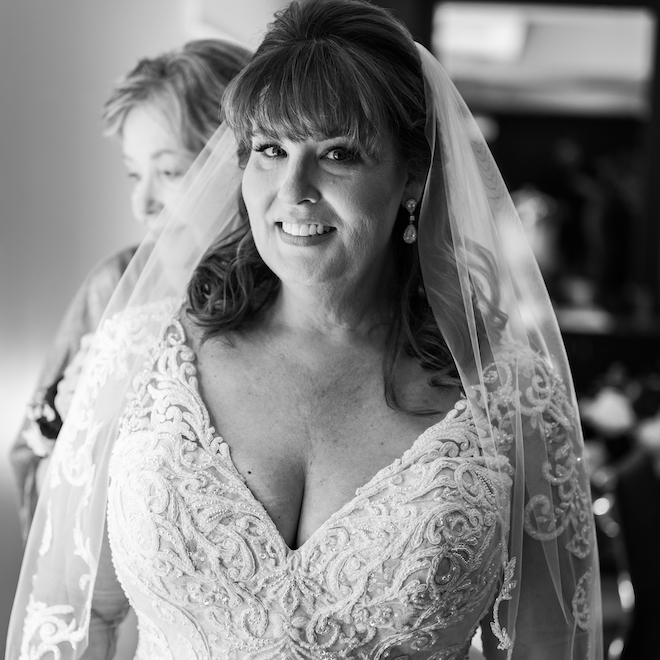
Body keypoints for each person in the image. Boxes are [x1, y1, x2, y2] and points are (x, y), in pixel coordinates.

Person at [7, 1, 602, 658]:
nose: (294, 189)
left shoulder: (514, 401)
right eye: (270, 149)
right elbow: (70, 618)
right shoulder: (138, 356)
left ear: (414, 177)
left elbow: (552, 644)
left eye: (338, 153)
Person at [9, 39, 251, 540]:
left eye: (169, 172)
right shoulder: (113, 282)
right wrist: (70, 422)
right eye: (134, 173)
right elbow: (32, 464)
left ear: (242, 160)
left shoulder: (297, 290)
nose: (142, 203)